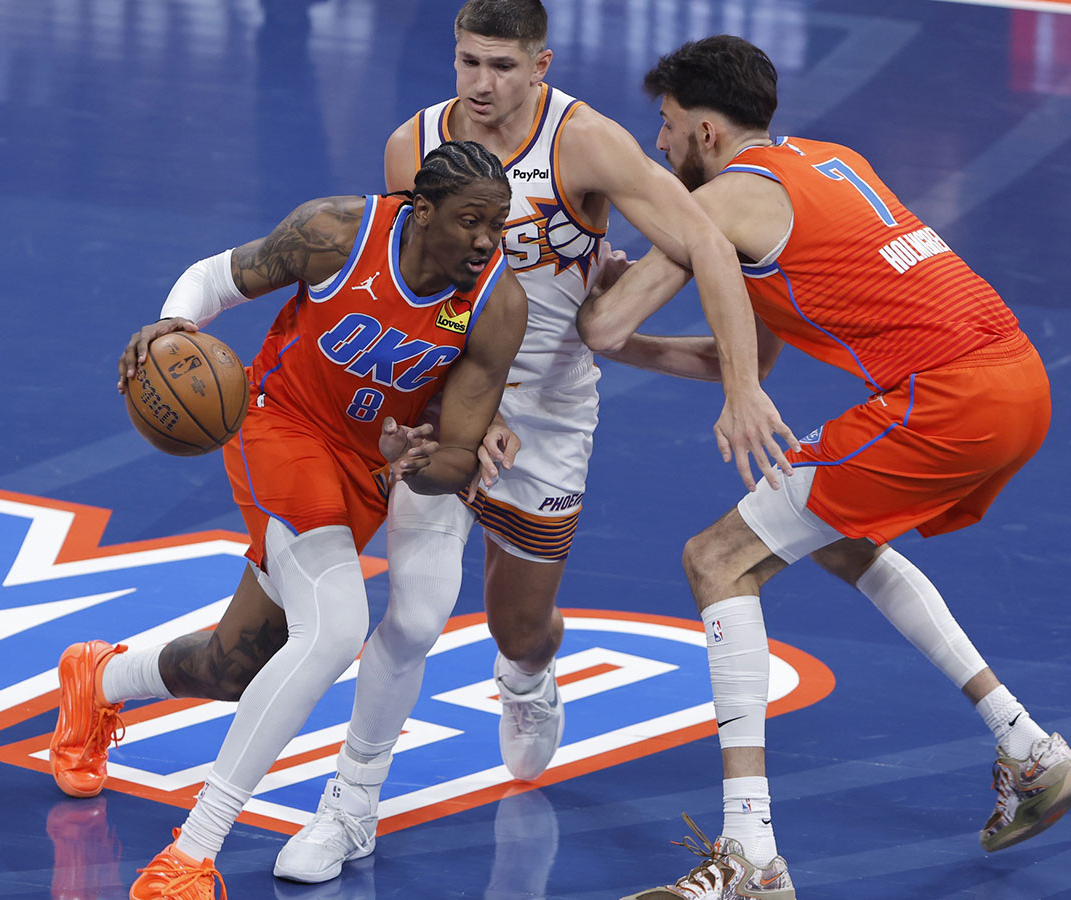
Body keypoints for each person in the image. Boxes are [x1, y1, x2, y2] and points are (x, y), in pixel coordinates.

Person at [274, 0, 798, 884]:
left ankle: (525, 679)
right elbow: (406, 284)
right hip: (446, 398)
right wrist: (462, 410)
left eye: (503, 66)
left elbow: (708, 243)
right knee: (413, 616)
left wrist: (741, 386)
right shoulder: (413, 147)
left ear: (540, 66)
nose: (481, 83)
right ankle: (349, 806)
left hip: (551, 413)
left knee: (518, 628)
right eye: (468, 61)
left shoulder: (584, 144)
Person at [574, 36, 1071, 900]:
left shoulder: (721, 201)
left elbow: (599, 327)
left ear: (705, 131)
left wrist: (597, 285)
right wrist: (682, 361)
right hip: (1016, 380)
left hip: (946, 398)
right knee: (840, 538)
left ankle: (750, 855)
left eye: (664, 125)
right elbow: (743, 357)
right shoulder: (829, 159)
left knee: (715, 559)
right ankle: (1027, 747)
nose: (657, 144)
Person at [49, 140, 528, 900]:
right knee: (335, 629)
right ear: (420, 211)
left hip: (371, 466)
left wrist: (411, 460)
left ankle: (98, 677)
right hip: (283, 428)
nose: (485, 241)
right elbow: (216, 277)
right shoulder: (336, 232)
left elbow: (458, 459)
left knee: (233, 667)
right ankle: (191, 855)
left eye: (497, 225)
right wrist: (173, 326)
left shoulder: (498, 304)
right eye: (470, 221)